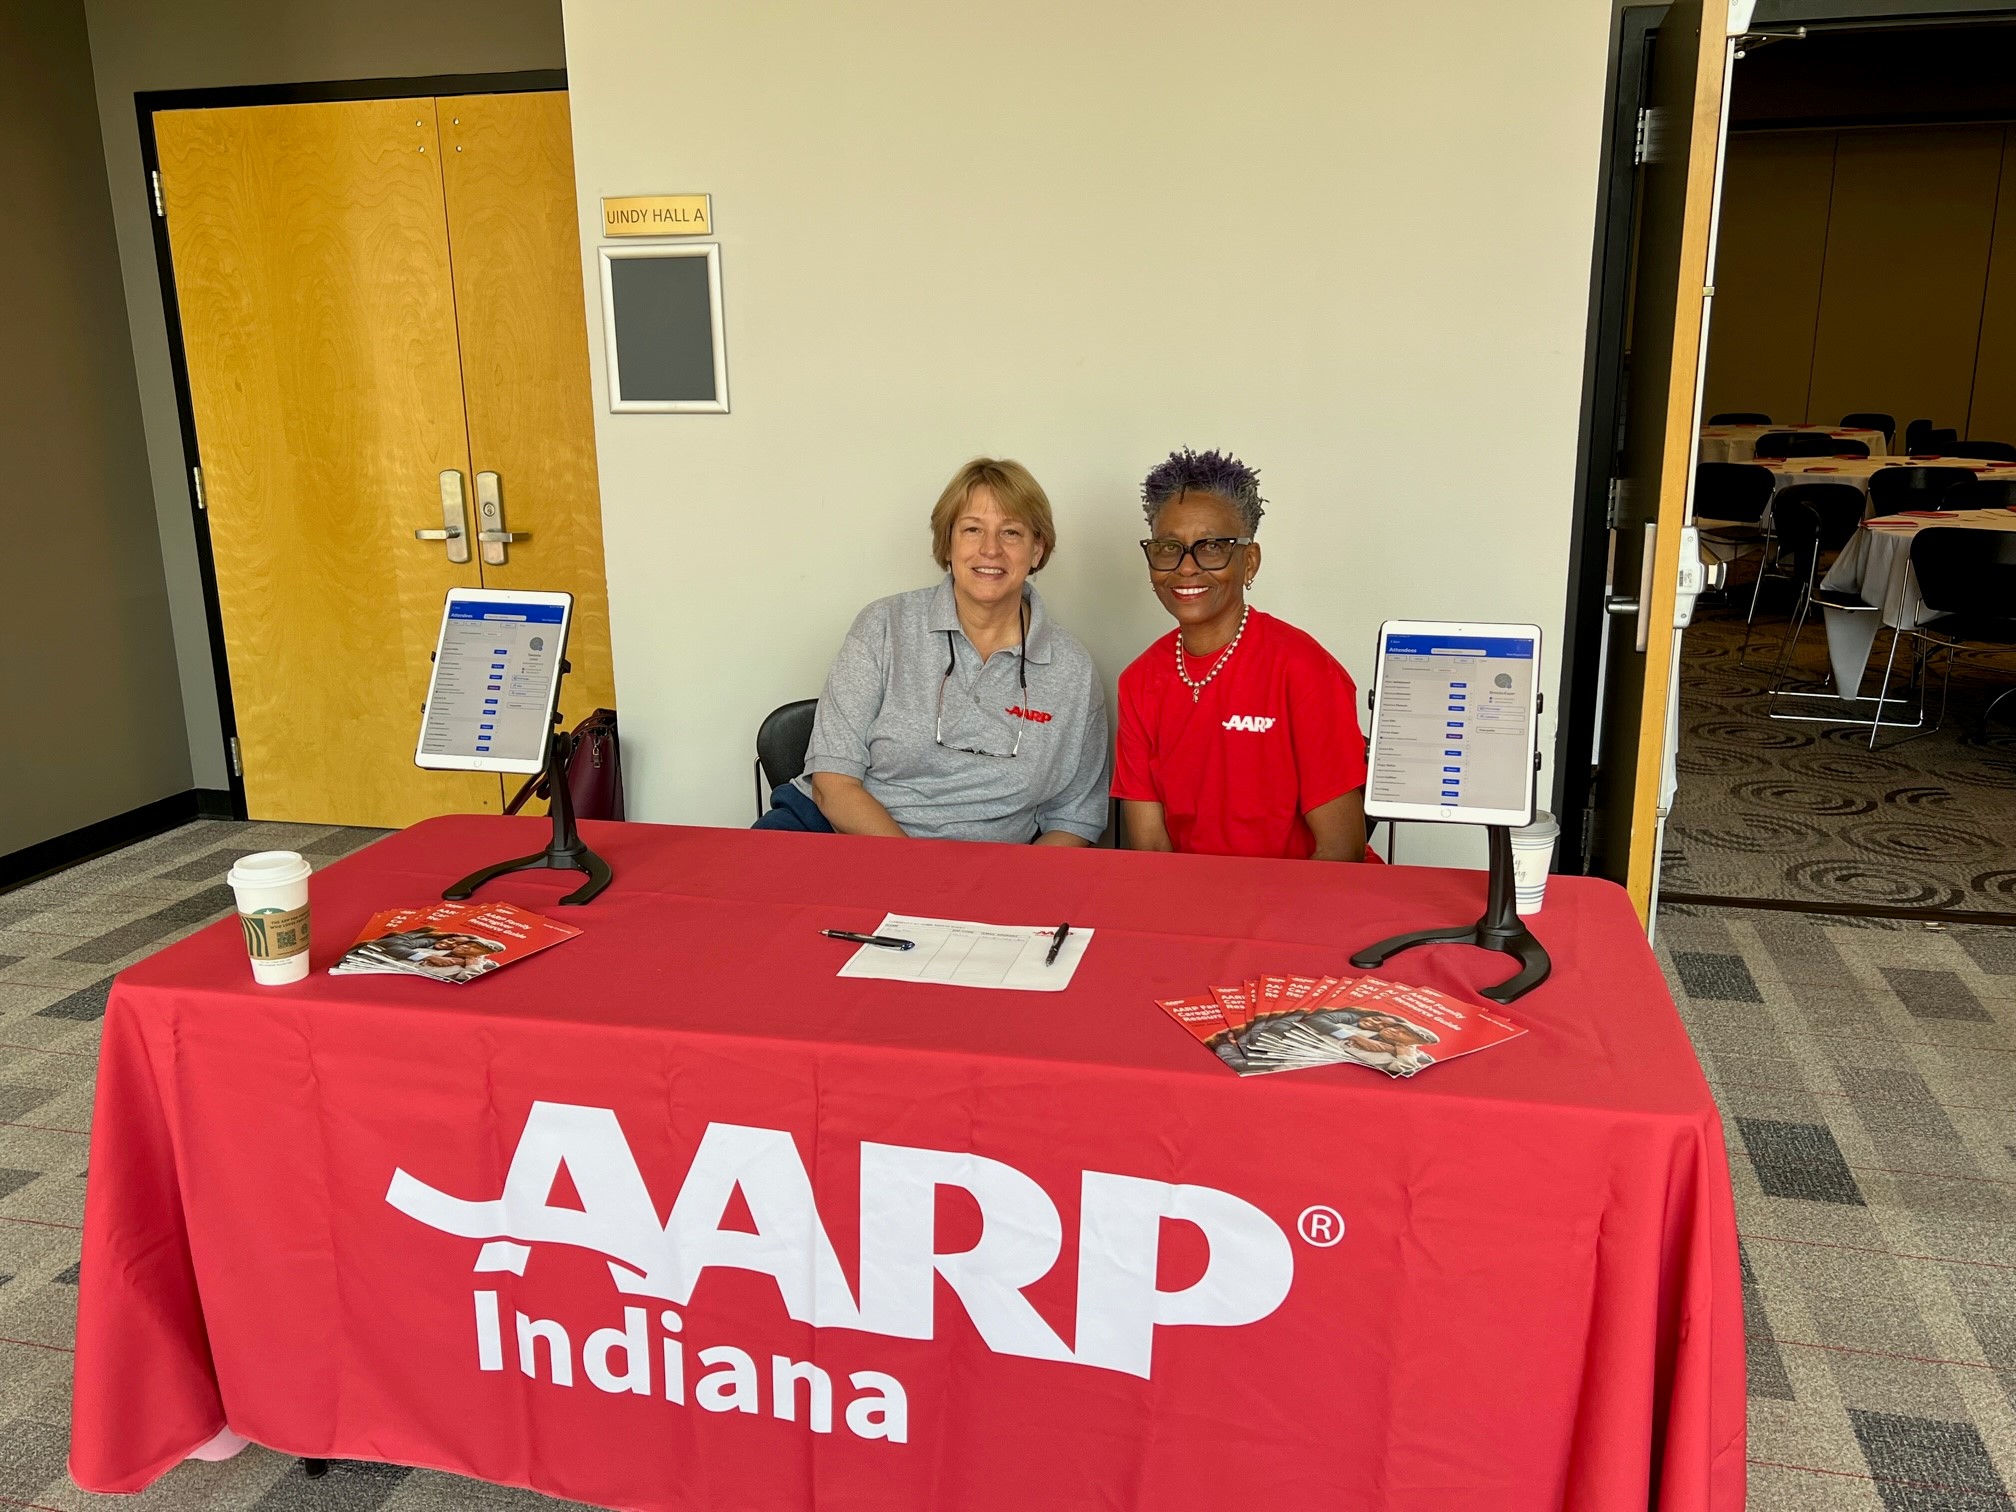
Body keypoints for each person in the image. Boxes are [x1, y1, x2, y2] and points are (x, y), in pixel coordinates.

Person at [758, 457, 1111, 843]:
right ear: (948, 543)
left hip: (988, 871)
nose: (990, 549)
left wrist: (1011, 889)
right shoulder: (882, 626)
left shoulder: (1072, 668)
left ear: (1037, 550)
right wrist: (920, 879)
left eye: (1011, 533)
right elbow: (833, 782)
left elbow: (1074, 817)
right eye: (973, 529)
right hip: (839, 833)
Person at [1113, 448, 1371, 861]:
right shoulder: (1139, 681)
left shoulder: (1305, 670)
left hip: (1300, 903)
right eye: (1168, 547)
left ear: (1248, 562)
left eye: (1211, 547)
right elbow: (1151, 851)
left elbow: (1341, 849)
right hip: (1191, 901)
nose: (1185, 567)